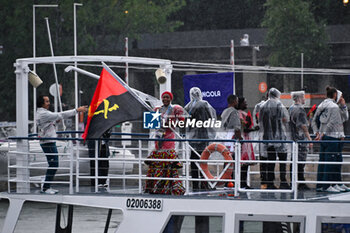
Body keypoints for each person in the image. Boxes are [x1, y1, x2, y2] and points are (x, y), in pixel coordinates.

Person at [36, 95, 87, 194]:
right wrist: (77, 110)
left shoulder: (42, 113)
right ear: (42, 103)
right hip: (48, 142)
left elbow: (50, 122)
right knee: (54, 164)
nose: (49, 103)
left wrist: (55, 120)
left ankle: (47, 187)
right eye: (47, 101)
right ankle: (46, 187)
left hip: (48, 141)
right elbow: (61, 114)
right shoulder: (44, 114)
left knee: (53, 164)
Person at [145, 91, 185, 195]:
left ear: (171, 98)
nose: (165, 99)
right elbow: (151, 124)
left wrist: (170, 123)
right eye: (164, 97)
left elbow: (182, 122)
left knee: (168, 165)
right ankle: (156, 187)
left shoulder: (175, 109)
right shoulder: (157, 109)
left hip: (169, 139)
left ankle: (169, 187)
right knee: (157, 165)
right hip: (158, 141)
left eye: (167, 97)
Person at [312, 87, 350, 192]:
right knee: (332, 162)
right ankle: (327, 185)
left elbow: (314, 119)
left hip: (325, 137)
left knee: (324, 161)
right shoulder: (334, 107)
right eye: (340, 96)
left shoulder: (322, 104)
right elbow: (332, 122)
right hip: (332, 137)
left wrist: (317, 133)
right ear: (335, 95)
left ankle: (326, 184)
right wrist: (322, 133)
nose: (342, 98)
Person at [184, 87, 216, 192]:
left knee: (193, 161)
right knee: (203, 161)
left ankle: (195, 184)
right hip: (203, 137)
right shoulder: (205, 104)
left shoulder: (188, 107)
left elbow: (185, 124)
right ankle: (204, 183)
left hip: (192, 139)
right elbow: (211, 118)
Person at [259, 88, 290, 189]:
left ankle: (270, 182)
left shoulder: (263, 106)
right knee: (282, 160)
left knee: (270, 162)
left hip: (268, 138)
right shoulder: (279, 104)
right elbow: (286, 118)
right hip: (280, 137)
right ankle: (283, 181)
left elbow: (260, 121)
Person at [288, 91, 313, 190]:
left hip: (293, 138)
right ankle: (300, 182)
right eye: (303, 97)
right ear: (299, 98)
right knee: (300, 162)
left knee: (294, 161)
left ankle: (293, 182)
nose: (305, 99)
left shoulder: (291, 108)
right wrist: (309, 139)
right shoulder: (300, 110)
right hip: (300, 140)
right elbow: (303, 126)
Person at [221, 95, 242, 186]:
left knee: (227, 159)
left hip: (225, 137)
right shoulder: (234, 112)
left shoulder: (225, 111)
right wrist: (240, 138)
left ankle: (226, 180)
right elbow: (236, 127)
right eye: (237, 101)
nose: (238, 103)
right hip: (232, 138)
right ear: (234, 101)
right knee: (233, 160)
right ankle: (232, 181)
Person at [238, 97, 257, 189]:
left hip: (246, 140)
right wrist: (254, 129)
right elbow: (243, 127)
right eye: (244, 103)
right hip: (243, 140)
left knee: (245, 163)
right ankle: (242, 183)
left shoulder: (243, 113)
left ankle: (243, 183)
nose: (246, 104)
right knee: (243, 163)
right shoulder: (239, 114)